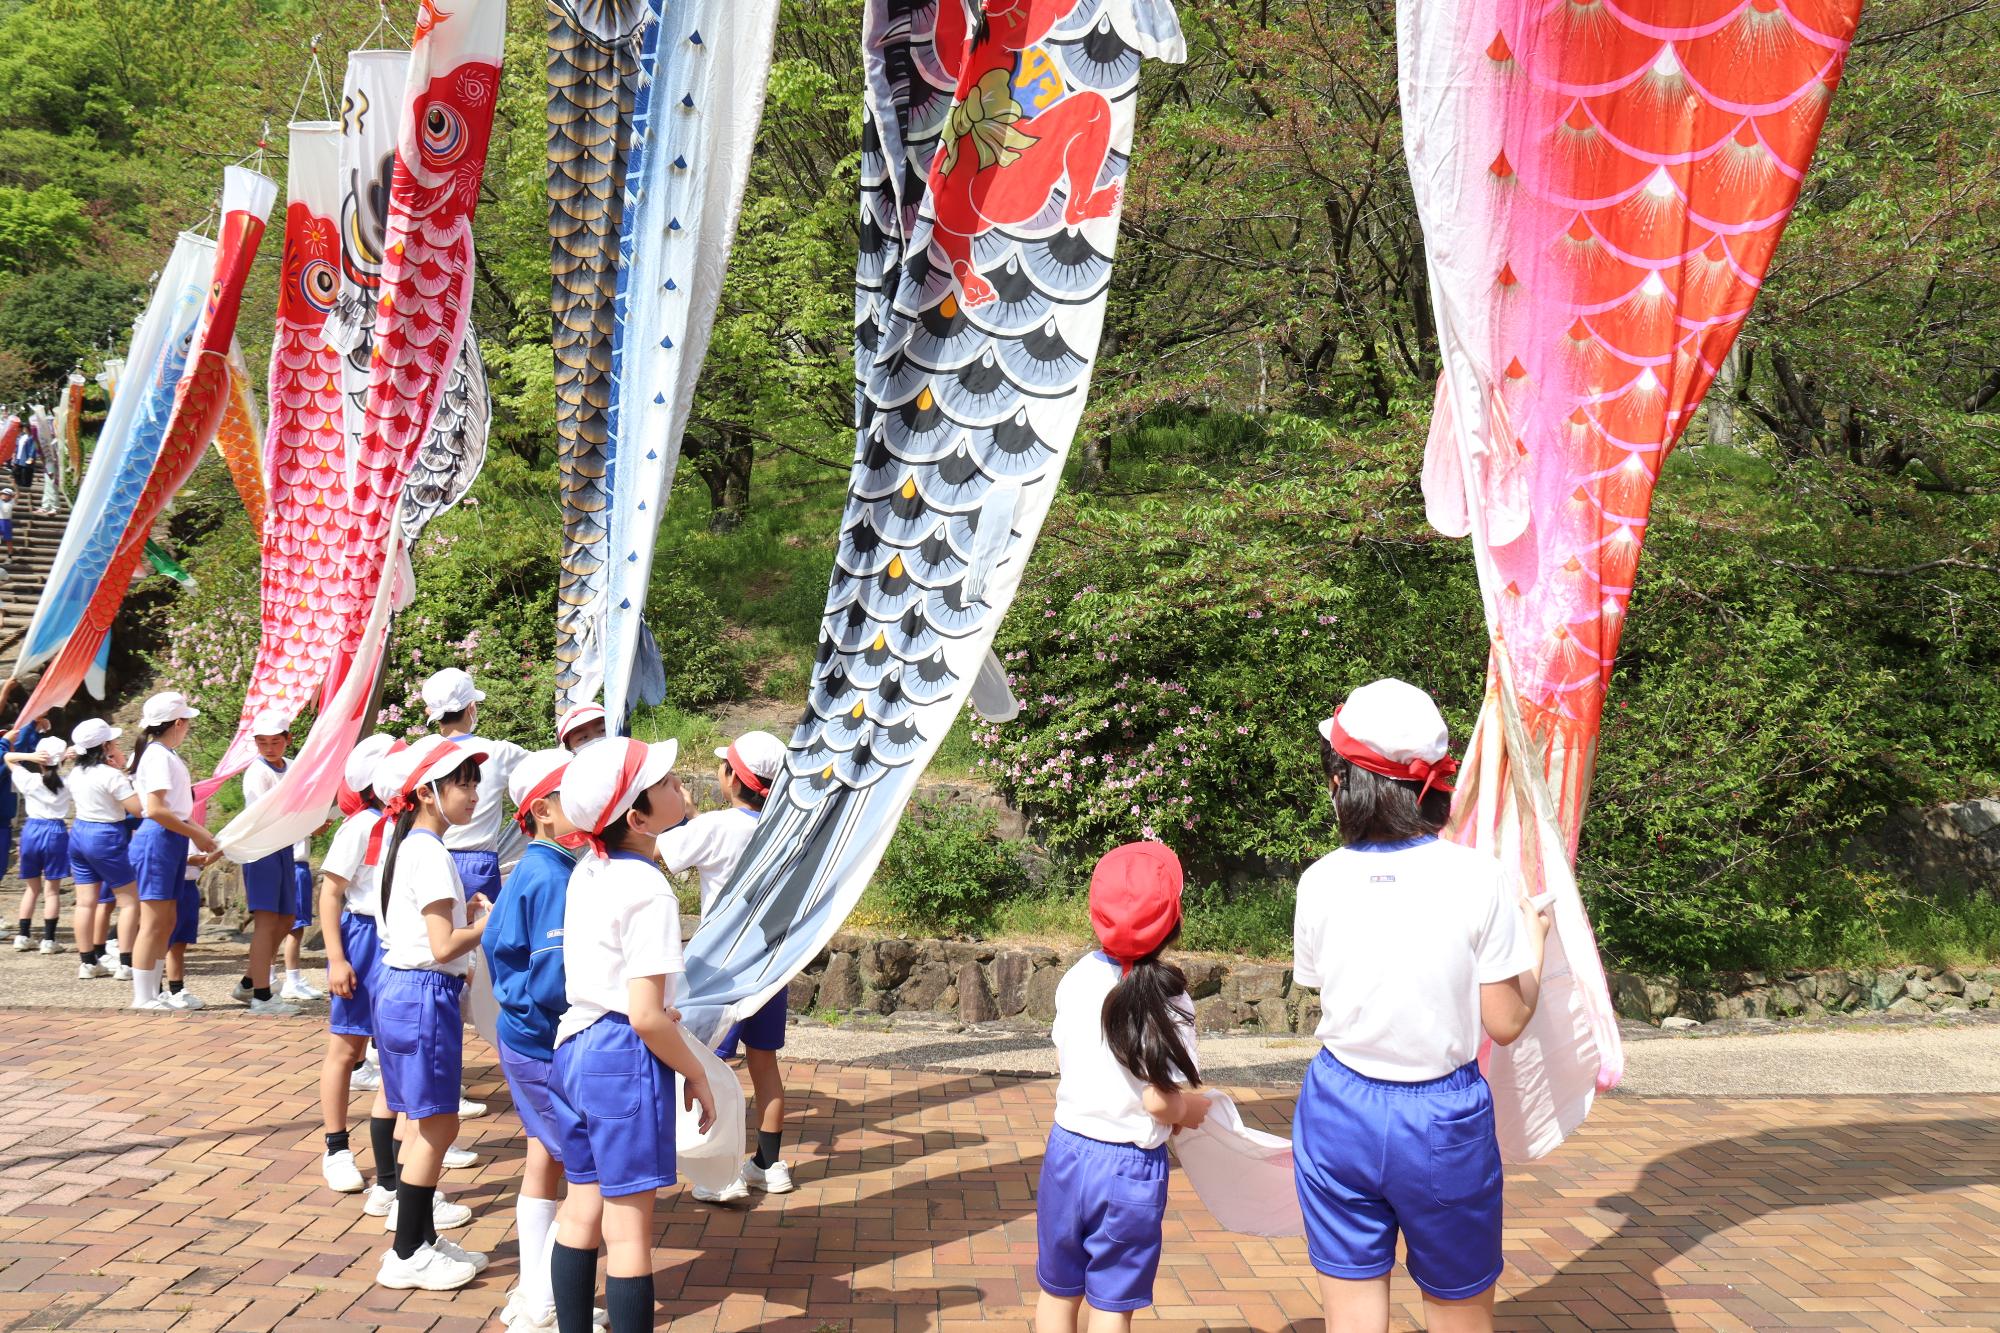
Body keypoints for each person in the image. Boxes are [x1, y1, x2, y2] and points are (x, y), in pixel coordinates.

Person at [1290, 679, 1551, 1333]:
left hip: (1337, 1106)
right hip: (1440, 1121)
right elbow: (1506, 1021)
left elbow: (1323, 983)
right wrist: (1537, 944)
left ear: (1343, 784)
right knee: (1458, 1312)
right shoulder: (1479, 877)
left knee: (1351, 1315)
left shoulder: (1318, 880)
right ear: (1429, 785)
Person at [548, 737, 717, 1333]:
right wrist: (695, 1071)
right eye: (668, 784)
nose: (681, 787)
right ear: (638, 818)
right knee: (629, 1235)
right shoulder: (649, 889)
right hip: (621, 1056)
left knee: (581, 1206)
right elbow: (645, 1015)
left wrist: (652, 1010)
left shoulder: (589, 869)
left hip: (572, 1046)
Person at [1035, 841, 1207, 1333]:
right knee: (1110, 1302)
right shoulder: (1170, 995)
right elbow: (1159, 1101)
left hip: (1067, 1151)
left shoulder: (1076, 978)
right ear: (1172, 921)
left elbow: (1066, 1059)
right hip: (1128, 1168)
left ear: (1096, 914)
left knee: (1057, 1291)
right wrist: (1192, 1110)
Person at [371, 734, 492, 1291]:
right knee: (437, 1124)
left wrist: (463, 920)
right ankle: (406, 1252)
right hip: (423, 992)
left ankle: (419, 1238)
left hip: (399, 986)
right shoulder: (432, 851)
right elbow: (444, 948)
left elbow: (420, 932)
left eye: (474, 782)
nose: (472, 793)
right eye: (462, 783)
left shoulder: (404, 846)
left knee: (423, 1121)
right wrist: (485, 925)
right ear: (426, 793)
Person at [666, 729, 793, 1204]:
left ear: (731, 777)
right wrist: (696, 817)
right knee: (765, 1062)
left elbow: (665, 852)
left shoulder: (714, 827)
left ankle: (722, 1174)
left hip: (720, 968)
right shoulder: (783, 831)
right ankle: (769, 1164)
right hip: (769, 964)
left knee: (709, 1063)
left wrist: (678, 812)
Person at [484, 747, 585, 1332]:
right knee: (585, 1173)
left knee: (542, 1157)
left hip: (525, 1037)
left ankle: (532, 1291)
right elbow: (554, 976)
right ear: (544, 810)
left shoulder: (536, 865)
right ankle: (543, 1304)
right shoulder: (550, 875)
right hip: (545, 1040)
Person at [317, 733, 400, 1196]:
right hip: (363, 939)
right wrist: (336, 958)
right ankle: (336, 1147)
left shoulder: (406, 823)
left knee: (395, 1048)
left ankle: (403, 1145)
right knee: (347, 1050)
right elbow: (331, 892)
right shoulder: (361, 826)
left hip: (396, 939)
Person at [126, 692, 219, 1011]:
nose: (188, 728)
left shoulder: (160, 753)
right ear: (178, 723)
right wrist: (196, 832)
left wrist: (199, 832)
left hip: (170, 838)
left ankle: (154, 992)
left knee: (165, 920)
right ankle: (144, 995)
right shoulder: (160, 756)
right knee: (154, 921)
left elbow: (174, 810)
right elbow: (155, 809)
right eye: (187, 723)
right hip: (160, 839)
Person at [421, 668, 526, 906]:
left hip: (429, 854)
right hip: (478, 864)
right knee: (479, 933)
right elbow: (544, 770)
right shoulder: (499, 752)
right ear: (471, 707)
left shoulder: (422, 753)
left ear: (432, 713)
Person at [234, 712, 308, 1014]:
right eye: (262, 742)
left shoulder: (292, 767)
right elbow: (263, 815)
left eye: (275, 741)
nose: (269, 747)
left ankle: (251, 981)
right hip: (261, 849)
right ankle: (262, 995)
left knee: (287, 918)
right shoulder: (256, 773)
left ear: (287, 740)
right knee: (267, 921)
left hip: (283, 847)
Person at [63, 718, 141, 981]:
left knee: (85, 903)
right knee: (130, 902)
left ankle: (87, 962)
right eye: (113, 741)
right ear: (106, 745)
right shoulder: (110, 775)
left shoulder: (76, 773)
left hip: (79, 833)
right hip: (106, 836)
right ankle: (126, 964)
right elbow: (138, 809)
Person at [7, 737, 72, 954]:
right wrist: (64, 757)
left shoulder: (29, 779)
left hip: (31, 830)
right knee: (52, 891)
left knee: (31, 889)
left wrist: (29, 757)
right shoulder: (68, 782)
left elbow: (7, 757)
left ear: (40, 759)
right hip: (56, 831)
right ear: (60, 761)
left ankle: (23, 936)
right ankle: (48, 941)